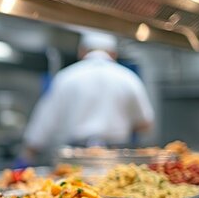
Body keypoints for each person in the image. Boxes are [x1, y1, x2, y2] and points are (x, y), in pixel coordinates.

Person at [22, 32, 155, 162]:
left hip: (75, 159)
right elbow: (145, 124)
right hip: (115, 159)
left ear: (82, 51)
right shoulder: (128, 78)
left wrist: (27, 156)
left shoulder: (66, 77)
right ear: (114, 54)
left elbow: (43, 124)